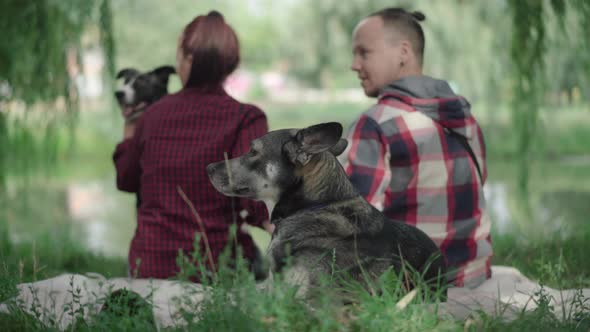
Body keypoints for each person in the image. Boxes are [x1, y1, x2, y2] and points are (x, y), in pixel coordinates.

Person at [339, 7, 492, 288]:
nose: (354, 65)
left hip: (412, 285)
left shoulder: (375, 124)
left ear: (404, 53)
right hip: (472, 276)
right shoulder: (465, 117)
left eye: (364, 52)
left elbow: (351, 226)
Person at [113, 11, 270, 281]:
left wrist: (129, 130)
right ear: (229, 64)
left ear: (187, 59)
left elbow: (126, 180)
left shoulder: (152, 115)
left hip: (149, 267)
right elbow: (252, 195)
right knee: (259, 263)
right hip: (216, 267)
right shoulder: (247, 118)